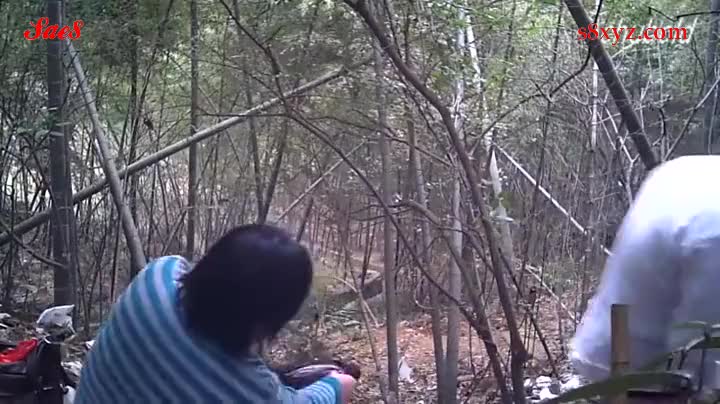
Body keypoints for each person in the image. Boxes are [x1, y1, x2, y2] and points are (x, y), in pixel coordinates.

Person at [75, 224, 357, 403]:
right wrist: (342, 378)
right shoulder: (252, 391)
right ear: (266, 325)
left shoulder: (156, 277)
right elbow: (331, 392)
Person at [570, 155, 720, 385]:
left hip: (604, 348)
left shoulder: (685, 170)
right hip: (644, 374)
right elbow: (698, 361)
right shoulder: (712, 229)